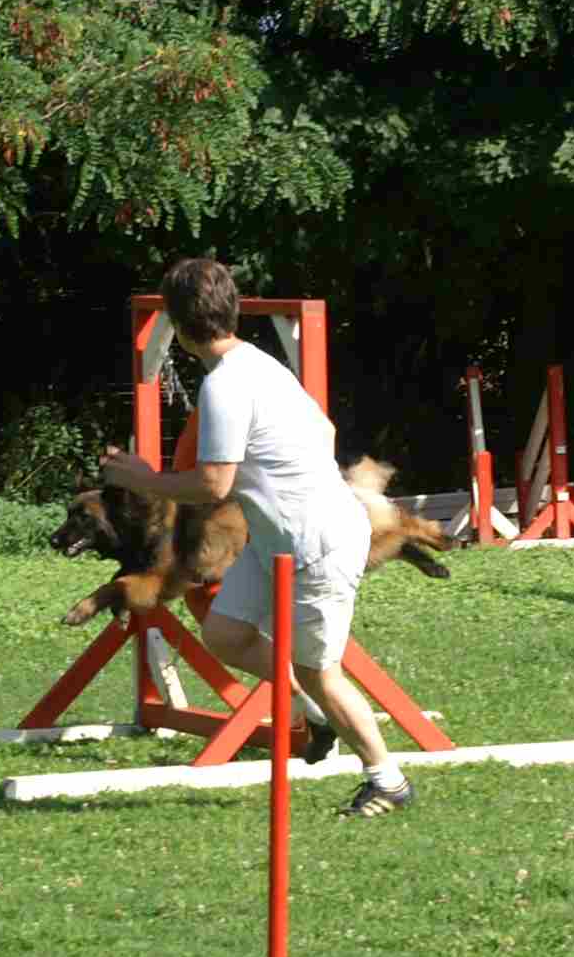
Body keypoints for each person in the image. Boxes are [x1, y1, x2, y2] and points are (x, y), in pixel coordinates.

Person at [100, 258, 412, 816]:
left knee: (320, 671)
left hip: (317, 546)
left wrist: (144, 479)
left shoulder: (224, 386)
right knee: (224, 634)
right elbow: (326, 430)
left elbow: (212, 483)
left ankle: (386, 778)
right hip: (276, 542)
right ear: (233, 309)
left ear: (177, 326)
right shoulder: (261, 364)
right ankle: (316, 712)